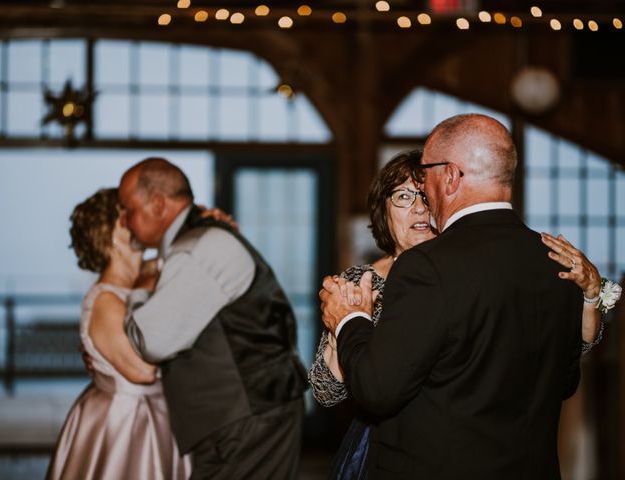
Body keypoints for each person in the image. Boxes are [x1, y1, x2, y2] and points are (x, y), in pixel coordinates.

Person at [319, 113, 599, 479]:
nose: (423, 197)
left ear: (449, 176)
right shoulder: (555, 261)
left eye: (426, 174)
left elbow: (377, 390)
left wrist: (349, 319)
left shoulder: (426, 267)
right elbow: (564, 381)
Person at [118, 157, 308, 480]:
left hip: (250, 420)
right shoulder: (197, 241)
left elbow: (151, 340)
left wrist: (137, 292)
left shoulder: (198, 249)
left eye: (128, 209)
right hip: (241, 419)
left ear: (159, 204)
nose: (123, 221)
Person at [46, 188, 191, 479]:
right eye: (128, 215)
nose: (140, 218)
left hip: (156, 416)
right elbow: (142, 371)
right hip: (125, 425)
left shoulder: (143, 280)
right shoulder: (105, 300)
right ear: (112, 234)